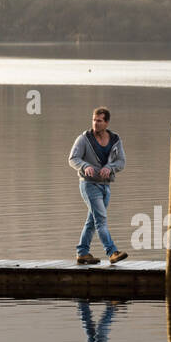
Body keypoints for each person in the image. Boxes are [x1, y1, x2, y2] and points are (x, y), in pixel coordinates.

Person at [68, 106, 127, 265]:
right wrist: (84, 166)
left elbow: (121, 162)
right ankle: (112, 252)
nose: (96, 123)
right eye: (94, 120)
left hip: (106, 186)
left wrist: (111, 167)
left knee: (92, 221)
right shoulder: (83, 139)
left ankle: (82, 253)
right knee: (101, 219)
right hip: (88, 185)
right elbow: (73, 158)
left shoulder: (115, 140)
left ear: (106, 122)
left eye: (99, 121)